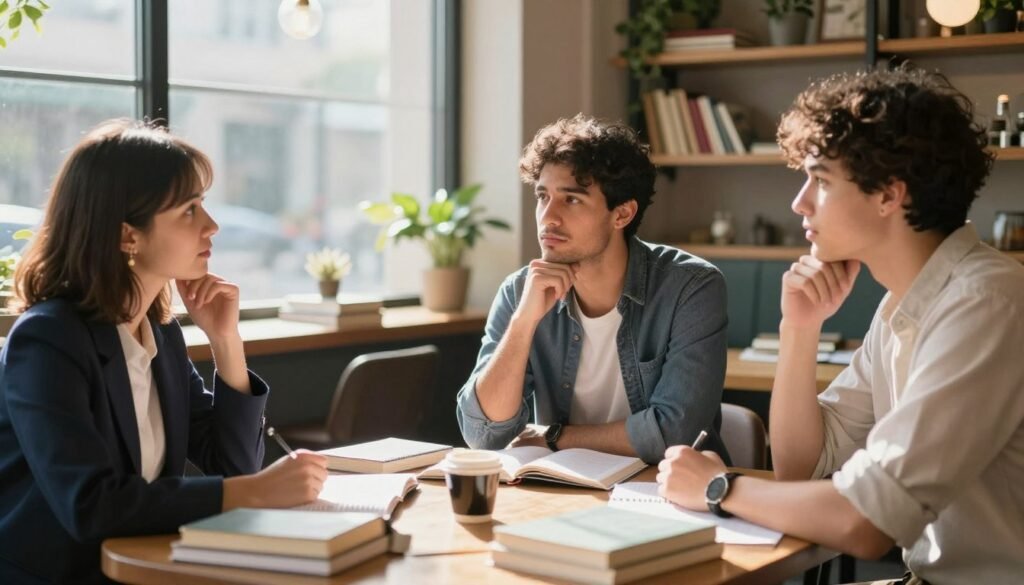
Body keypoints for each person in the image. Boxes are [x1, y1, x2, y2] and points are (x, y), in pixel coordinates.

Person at [657, 68, 1024, 584]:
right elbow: (801, 468)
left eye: (821, 181)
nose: (799, 201)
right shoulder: (903, 304)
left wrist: (721, 487)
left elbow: (867, 522)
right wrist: (800, 329)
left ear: (888, 195)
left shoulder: (985, 303)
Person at [0, 119, 328, 584]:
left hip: (143, 567)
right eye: (189, 211)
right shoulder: (49, 340)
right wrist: (254, 492)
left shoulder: (160, 334)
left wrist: (226, 343)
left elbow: (233, 465)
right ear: (127, 236)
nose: (212, 227)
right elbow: (91, 505)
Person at [456, 114, 730, 464]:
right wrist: (523, 324)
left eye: (571, 200)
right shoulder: (519, 292)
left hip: (665, 492)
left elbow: (675, 433)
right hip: (563, 490)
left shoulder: (691, 288)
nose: (547, 217)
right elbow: (482, 434)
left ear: (622, 214)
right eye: (543, 196)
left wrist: (554, 436)